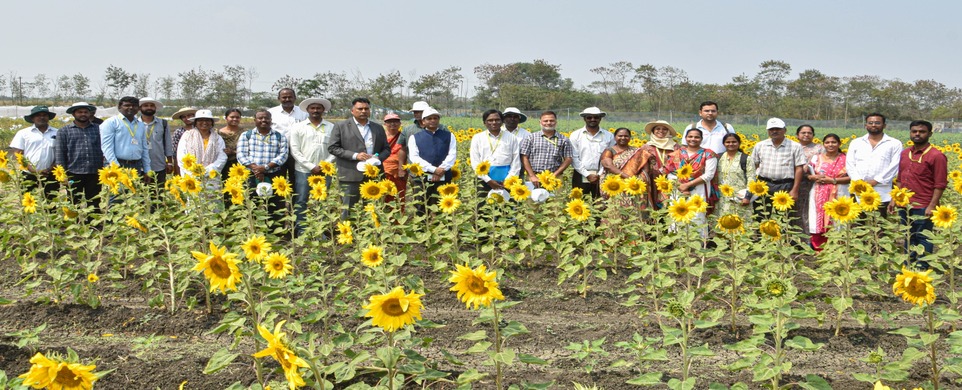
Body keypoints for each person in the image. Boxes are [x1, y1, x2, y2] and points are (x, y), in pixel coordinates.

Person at [890, 120, 947, 267]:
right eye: (914, 131)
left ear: (929, 134)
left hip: (923, 204)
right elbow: (900, 179)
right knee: (909, 235)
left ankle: (922, 266)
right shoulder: (905, 153)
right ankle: (909, 264)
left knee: (923, 237)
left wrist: (932, 205)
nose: (917, 134)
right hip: (905, 204)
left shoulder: (936, 156)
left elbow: (940, 184)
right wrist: (894, 199)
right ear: (910, 133)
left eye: (922, 132)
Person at [328, 98, 390, 219]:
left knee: (373, 208)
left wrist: (377, 158)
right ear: (352, 111)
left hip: (374, 174)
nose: (363, 111)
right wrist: (355, 155)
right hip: (350, 174)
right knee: (348, 208)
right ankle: (348, 235)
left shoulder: (377, 128)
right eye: (360, 109)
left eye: (366, 109)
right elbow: (333, 148)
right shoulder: (341, 126)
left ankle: (373, 235)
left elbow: (386, 149)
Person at [289, 97, 335, 234]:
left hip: (325, 171)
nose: (315, 110)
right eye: (312, 108)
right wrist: (311, 166)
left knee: (321, 201)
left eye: (318, 108)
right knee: (302, 200)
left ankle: (319, 231)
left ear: (323, 110)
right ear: (308, 110)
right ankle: (302, 231)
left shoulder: (331, 127)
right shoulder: (298, 127)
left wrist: (324, 165)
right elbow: (295, 150)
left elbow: (335, 149)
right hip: (303, 170)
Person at [846, 113, 902, 217]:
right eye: (870, 123)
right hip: (859, 191)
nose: (873, 125)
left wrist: (876, 181)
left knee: (879, 225)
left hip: (881, 191)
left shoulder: (894, 143)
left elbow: (895, 165)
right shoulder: (856, 142)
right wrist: (859, 182)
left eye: (877, 123)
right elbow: (850, 164)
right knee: (858, 225)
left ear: (884, 125)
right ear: (865, 125)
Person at [750, 118, 806, 219]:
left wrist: (795, 190)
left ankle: (783, 235)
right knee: (761, 215)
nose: (774, 131)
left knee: (784, 217)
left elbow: (799, 169)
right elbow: (755, 165)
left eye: (778, 129)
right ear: (768, 131)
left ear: (785, 130)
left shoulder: (795, 146)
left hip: (785, 185)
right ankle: (761, 235)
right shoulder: (760, 145)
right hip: (764, 185)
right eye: (771, 129)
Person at [662, 128, 718, 226]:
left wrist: (688, 184)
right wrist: (681, 186)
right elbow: (669, 173)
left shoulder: (708, 154)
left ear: (701, 139)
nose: (693, 139)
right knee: (677, 214)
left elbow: (709, 175)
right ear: (686, 138)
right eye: (690, 136)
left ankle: (698, 241)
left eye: (697, 137)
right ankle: (677, 241)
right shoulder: (676, 154)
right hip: (678, 189)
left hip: (699, 189)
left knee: (697, 216)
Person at [408, 108, 457, 215]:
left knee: (443, 205)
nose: (433, 120)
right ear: (423, 121)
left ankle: (443, 230)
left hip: (444, 176)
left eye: (435, 118)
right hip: (422, 178)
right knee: (421, 206)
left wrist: (442, 169)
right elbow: (414, 157)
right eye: (429, 118)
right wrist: (434, 170)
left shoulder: (449, 135)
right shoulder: (415, 137)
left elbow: (452, 154)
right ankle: (421, 229)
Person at [55, 102, 103, 213]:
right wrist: (62, 174)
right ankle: (74, 224)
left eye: (86, 112)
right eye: (80, 112)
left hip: (94, 172)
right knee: (73, 199)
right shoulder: (64, 131)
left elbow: (104, 149)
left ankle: (93, 224)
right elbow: (60, 153)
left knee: (94, 200)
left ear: (90, 113)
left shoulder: (99, 129)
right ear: (74, 114)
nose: (83, 114)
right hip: (73, 172)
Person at [807, 134, 849, 251]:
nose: (830, 145)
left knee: (838, 219)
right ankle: (819, 249)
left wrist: (832, 180)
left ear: (839, 144)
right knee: (817, 219)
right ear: (823, 144)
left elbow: (852, 177)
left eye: (834, 142)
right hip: (818, 193)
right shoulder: (816, 158)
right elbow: (808, 174)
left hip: (840, 193)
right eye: (827, 142)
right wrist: (814, 177)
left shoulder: (846, 159)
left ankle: (838, 249)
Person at [11, 106, 59, 199]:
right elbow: (18, 154)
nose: (42, 117)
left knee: (52, 202)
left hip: (50, 174)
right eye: (38, 115)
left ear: (48, 117)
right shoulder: (23, 133)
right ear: (32, 118)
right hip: (28, 174)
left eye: (44, 115)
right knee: (27, 200)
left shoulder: (57, 132)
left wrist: (50, 168)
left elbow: (60, 153)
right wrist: (32, 170)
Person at [470, 110, 521, 194]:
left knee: (507, 205)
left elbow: (516, 161)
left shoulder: (511, 137)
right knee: (483, 205)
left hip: (507, 180)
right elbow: (475, 162)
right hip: (484, 179)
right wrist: (488, 180)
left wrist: (508, 180)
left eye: (497, 120)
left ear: (502, 121)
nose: (494, 122)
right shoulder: (477, 138)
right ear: (484, 123)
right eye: (490, 120)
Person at [570, 107, 615, 198]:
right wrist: (587, 174)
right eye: (589, 117)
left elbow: (610, 157)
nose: (592, 119)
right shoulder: (576, 135)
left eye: (596, 117)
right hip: (581, 174)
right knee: (580, 204)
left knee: (601, 204)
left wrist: (599, 174)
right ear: (584, 118)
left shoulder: (609, 136)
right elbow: (574, 157)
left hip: (603, 175)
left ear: (600, 118)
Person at [236, 110, 289, 187]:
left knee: (274, 198)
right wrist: (256, 169)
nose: (263, 120)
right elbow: (241, 154)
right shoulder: (246, 135)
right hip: (251, 174)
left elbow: (283, 155)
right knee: (252, 197)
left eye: (266, 118)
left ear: (271, 120)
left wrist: (266, 167)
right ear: (255, 120)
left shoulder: (280, 136)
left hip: (274, 174)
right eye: (260, 118)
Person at [520, 111, 573, 187]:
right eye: (545, 121)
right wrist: (532, 175)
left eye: (551, 120)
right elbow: (524, 157)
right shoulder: (531, 138)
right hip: (534, 177)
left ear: (556, 122)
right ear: (540, 122)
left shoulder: (564, 139)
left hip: (555, 176)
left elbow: (568, 159)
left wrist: (555, 175)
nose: (548, 123)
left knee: (556, 198)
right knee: (533, 198)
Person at [101, 96, 151, 177]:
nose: (131, 107)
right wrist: (117, 168)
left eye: (134, 106)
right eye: (127, 105)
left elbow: (144, 148)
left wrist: (147, 170)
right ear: (119, 107)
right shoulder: (111, 123)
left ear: (138, 108)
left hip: (136, 166)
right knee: (118, 189)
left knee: (135, 189)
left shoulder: (140, 125)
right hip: (116, 164)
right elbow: (107, 147)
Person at [714, 133, 756, 221]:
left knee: (740, 222)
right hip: (722, 198)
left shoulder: (746, 158)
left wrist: (747, 197)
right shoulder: (719, 157)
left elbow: (751, 178)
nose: (731, 144)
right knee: (722, 223)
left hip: (739, 197)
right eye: (728, 142)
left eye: (734, 142)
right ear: (724, 144)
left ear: (739, 143)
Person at [176, 109, 227, 179]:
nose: (204, 122)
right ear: (195, 123)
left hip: (211, 177)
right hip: (191, 178)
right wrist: (193, 172)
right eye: (200, 120)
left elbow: (222, 157)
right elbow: (181, 156)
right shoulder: (187, 136)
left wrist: (207, 171)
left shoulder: (217, 138)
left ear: (212, 122)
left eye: (207, 120)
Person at [599, 128, 643, 207]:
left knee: (631, 210)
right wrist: (626, 177)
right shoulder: (609, 150)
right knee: (614, 208)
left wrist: (639, 179)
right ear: (615, 137)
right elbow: (608, 165)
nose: (623, 138)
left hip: (632, 185)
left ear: (630, 138)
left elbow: (644, 167)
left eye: (626, 136)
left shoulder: (637, 151)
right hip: (615, 185)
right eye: (620, 136)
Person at [795, 125, 824, 235]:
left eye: (809, 133)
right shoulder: (793, 147)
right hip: (796, 183)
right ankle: (796, 238)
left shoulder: (820, 148)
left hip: (814, 183)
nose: (806, 135)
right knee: (795, 211)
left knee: (811, 210)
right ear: (797, 135)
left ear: (813, 135)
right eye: (803, 132)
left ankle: (810, 237)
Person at [139, 98, 174, 184]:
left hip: (158, 165)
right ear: (140, 108)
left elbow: (168, 144)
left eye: (152, 106)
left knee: (158, 194)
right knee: (139, 195)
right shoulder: (134, 123)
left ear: (155, 108)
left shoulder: (163, 123)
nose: (149, 108)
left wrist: (169, 163)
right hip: (139, 166)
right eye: (146, 105)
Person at [382, 113, 406, 205]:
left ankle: (398, 218)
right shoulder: (380, 137)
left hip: (399, 171)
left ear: (400, 123)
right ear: (385, 124)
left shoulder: (403, 137)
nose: (393, 124)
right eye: (389, 122)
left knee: (399, 196)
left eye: (396, 121)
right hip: (382, 171)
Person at [218, 108, 243, 178]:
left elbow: (249, 149)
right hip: (223, 163)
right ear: (226, 118)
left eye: (237, 117)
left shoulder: (245, 133)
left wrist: (234, 152)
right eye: (232, 117)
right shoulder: (219, 133)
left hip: (239, 164)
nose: (235, 119)